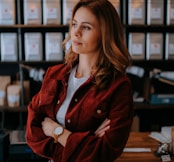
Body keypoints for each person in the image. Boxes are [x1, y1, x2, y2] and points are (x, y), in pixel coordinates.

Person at [26, 0, 134, 161]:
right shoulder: (54, 74)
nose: (75, 33)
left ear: (105, 34)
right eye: (74, 24)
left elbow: (105, 151)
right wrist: (86, 142)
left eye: (86, 27)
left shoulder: (118, 87)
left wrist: (57, 131)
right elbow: (32, 135)